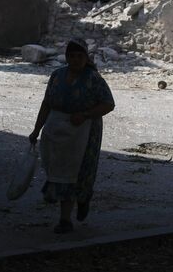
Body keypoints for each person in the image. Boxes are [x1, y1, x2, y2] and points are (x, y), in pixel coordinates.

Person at [29, 38, 115, 233]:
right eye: (71, 56)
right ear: (66, 57)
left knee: (77, 173)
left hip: (84, 132)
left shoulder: (93, 79)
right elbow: (47, 103)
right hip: (57, 129)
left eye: (79, 56)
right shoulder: (57, 76)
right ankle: (70, 207)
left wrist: (85, 115)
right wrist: (36, 129)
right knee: (58, 169)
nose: (75, 60)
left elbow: (108, 104)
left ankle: (68, 216)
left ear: (86, 58)